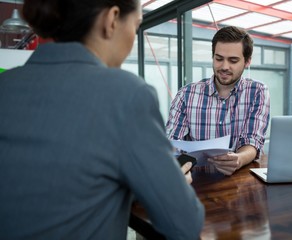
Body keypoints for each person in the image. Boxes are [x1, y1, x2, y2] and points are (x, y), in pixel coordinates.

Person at [0, 0, 204, 239]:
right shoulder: (126, 94)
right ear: (112, 20)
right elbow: (184, 225)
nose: (133, 39)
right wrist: (171, 183)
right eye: (136, 26)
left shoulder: (5, 85)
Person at [166, 26, 270, 176]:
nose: (224, 67)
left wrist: (239, 159)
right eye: (219, 59)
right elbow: (172, 142)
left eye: (233, 60)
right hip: (195, 180)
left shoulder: (257, 92)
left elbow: (252, 140)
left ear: (247, 61)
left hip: (239, 180)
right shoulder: (186, 94)